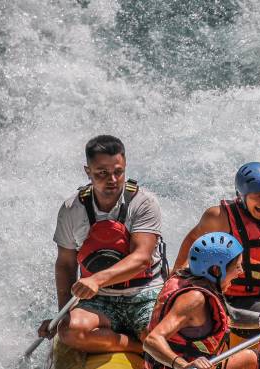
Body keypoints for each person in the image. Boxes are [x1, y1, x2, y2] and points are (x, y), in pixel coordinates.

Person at [38, 135, 168, 353]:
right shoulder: (72, 209)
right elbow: (66, 264)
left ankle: (148, 340)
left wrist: (97, 279)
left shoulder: (144, 203)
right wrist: (63, 315)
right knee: (70, 332)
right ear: (88, 171)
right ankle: (140, 348)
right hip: (100, 298)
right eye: (102, 173)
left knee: (166, 334)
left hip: (144, 292)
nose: (113, 179)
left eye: (119, 172)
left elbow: (141, 258)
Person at [174, 161, 260, 325]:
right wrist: (176, 278)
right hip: (240, 298)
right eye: (257, 196)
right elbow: (193, 240)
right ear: (241, 196)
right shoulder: (220, 217)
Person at [142, 232, 257, 369]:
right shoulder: (194, 299)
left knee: (252, 359)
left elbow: (230, 317)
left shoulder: (199, 280)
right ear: (215, 269)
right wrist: (183, 365)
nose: (241, 271)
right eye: (236, 266)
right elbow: (152, 340)